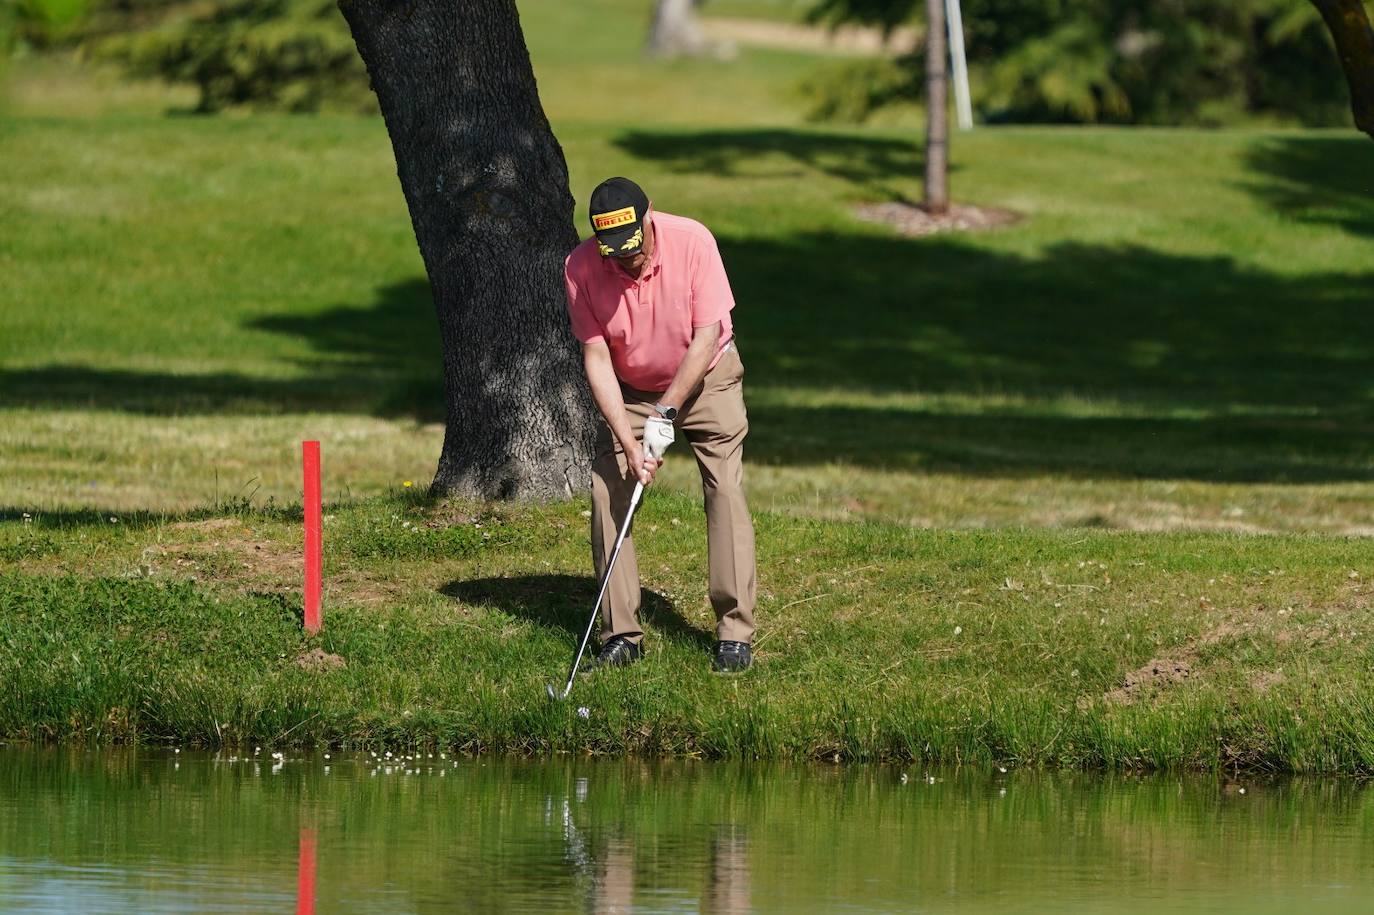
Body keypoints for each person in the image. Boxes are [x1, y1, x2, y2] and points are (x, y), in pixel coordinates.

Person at [564, 177, 756, 673]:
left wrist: (665, 414)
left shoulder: (694, 241)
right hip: (630, 385)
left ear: (649, 217)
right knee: (610, 491)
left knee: (724, 488)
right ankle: (621, 636)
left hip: (707, 375)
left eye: (634, 247)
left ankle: (734, 634)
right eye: (615, 253)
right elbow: (597, 356)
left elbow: (705, 336)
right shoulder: (582, 267)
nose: (628, 260)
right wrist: (630, 441)